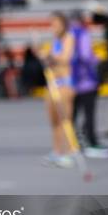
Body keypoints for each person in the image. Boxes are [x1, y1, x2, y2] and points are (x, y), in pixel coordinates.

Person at [69, 10, 108, 159]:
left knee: (73, 113)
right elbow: (85, 55)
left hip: (72, 80)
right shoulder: (83, 33)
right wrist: (97, 60)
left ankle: (71, 142)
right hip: (85, 80)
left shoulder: (68, 33)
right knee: (89, 113)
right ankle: (91, 142)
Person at [40, 12, 75, 168]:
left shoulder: (68, 38)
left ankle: (69, 153)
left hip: (65, 84)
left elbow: (65, 58)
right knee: (54, 121)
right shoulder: (54, 40)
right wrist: (44, 57)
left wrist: (49, 55)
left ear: (62, 23)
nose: (53, 26)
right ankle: (57, 151)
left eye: (55, 23)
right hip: (53, 83)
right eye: (51, 23)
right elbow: (52, 62)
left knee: (65, 121)